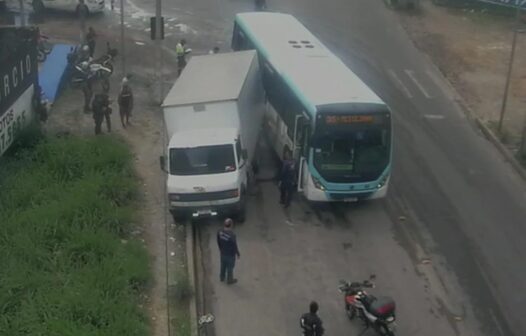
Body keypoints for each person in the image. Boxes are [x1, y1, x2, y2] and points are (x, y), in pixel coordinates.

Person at [217, 218, 240, 285]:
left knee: (223, 266)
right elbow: (234, 245)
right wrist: (237, 253)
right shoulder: (232, 235)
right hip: (230, 255)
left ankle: (222, 277)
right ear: (231, 225)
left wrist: (220, 249)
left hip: (223, 253)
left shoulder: (220, 231)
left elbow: (218, 241)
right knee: (230, 268)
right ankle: (230, 280)